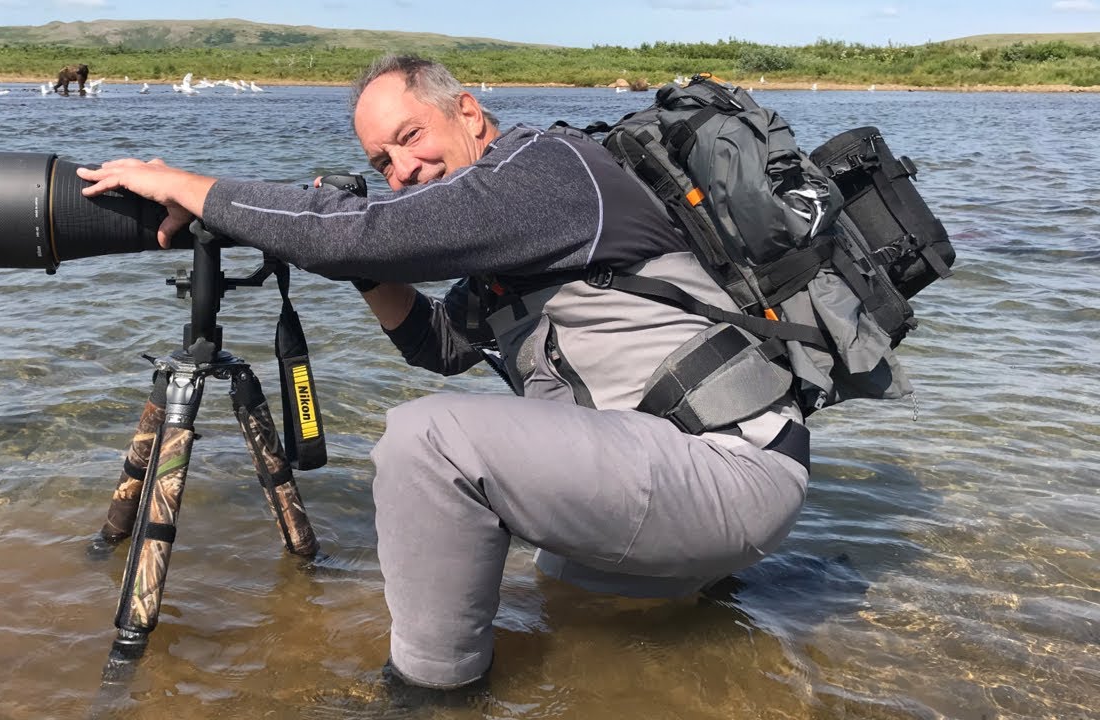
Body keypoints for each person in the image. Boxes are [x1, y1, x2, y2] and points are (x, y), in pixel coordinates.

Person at [77, 54, 810, 693]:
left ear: (467, 109)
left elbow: (358, 233)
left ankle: (432, 694)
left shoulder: (548, 171)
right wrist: (363, 264)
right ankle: (738, 625)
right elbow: (440, 345)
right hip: (662, 473)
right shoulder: (511, 239)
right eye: (381, 164)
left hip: (727, 467)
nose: (401, 171)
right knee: (586, 621)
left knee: (428, 441)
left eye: (409, 137)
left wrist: (185, 184)